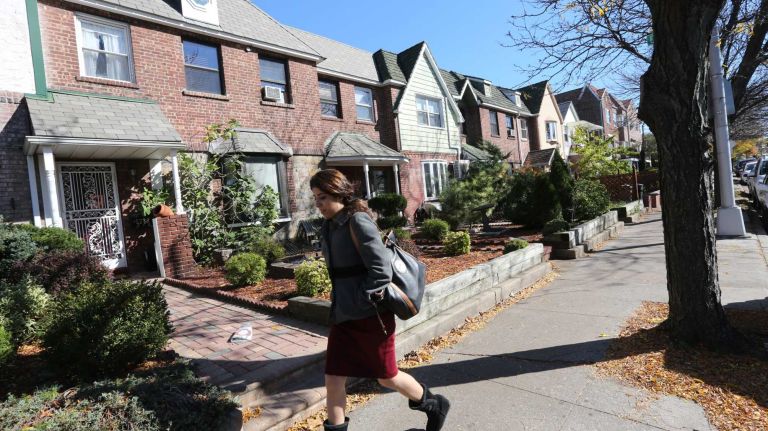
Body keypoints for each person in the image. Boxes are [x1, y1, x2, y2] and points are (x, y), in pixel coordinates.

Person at [310, 169, 450, 431]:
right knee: (333, 378)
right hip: (342, 316)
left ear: (338, 193)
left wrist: (361, 298)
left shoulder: (357, 221)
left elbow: (381, 270)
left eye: (323, 198)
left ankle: (434, 404)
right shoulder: (329, 226)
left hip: (370, 317)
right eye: (316, 198)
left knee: (386, 377)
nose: (318, 204)